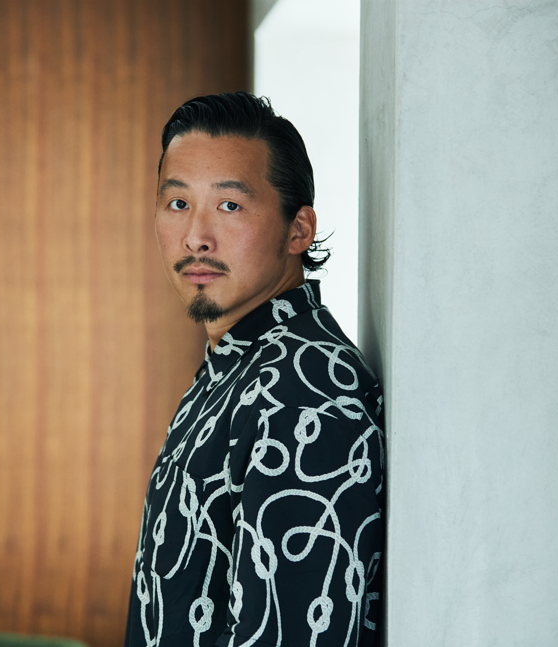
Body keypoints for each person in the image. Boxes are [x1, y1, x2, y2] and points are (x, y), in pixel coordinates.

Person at [124, 91, 384, 647]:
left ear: (299, 230)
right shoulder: (239, 364)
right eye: (178, 203)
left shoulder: (306, 393)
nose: (196, 236)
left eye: (229, 206)